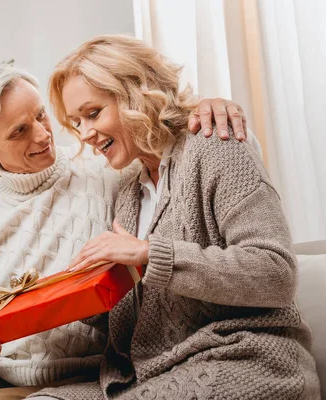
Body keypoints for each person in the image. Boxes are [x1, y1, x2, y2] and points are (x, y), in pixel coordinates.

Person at [0, 63, 250, 399]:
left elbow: (164, 147)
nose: (42, 135)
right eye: (19, 131)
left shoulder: (105, 173)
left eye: (40, 116)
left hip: (75, 376)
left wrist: (203, 107)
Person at [29, 35, 320, 400]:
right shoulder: (128, 191)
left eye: (93, 113)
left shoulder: (217, 146)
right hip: (154, 374)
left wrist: (149, 253)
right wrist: (78, 302)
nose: (85, 134)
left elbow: (275, 272)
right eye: (76, 122)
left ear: (135, 93)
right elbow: (150, 314)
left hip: (247, 360)